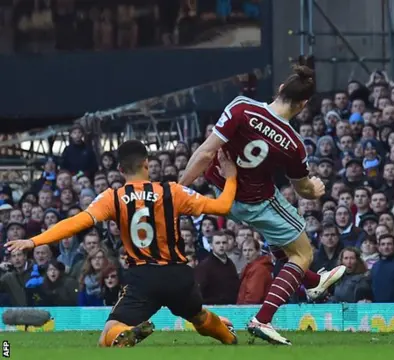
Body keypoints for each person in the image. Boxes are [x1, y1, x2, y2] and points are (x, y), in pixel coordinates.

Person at [5, 140, 239, 348]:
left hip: (144, 278)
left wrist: (32, 241)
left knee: (107, 334)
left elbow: (74, 223)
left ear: (120, 169)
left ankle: (125, 332)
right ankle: (228, 337)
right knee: (198, 317)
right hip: (179, 275)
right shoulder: (172, 191)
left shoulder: (112, 198)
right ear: (146, 164)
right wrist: (231, 177)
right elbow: (222, 207)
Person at [179, 65, 345, 345]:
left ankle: (313, 282)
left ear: (281, 89)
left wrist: (179, 188)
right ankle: (263, 319)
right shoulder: (294, 144)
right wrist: (315, 189)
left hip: (224, 192)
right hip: (257, 201)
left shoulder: (241, 107)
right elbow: (302, 189)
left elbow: (206, 152)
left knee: (282, 244)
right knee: (302, 252)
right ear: (303, 105)